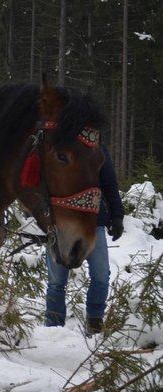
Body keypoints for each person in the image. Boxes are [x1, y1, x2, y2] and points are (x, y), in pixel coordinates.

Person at [45, 143, 125, 334]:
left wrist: (117, 216)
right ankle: (53, 328)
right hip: (60, 222)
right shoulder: (56, 147)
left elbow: (109, 184)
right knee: (57, 281)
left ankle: (95, 323)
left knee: (101, 276)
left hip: (94, 223)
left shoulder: (97, 148)